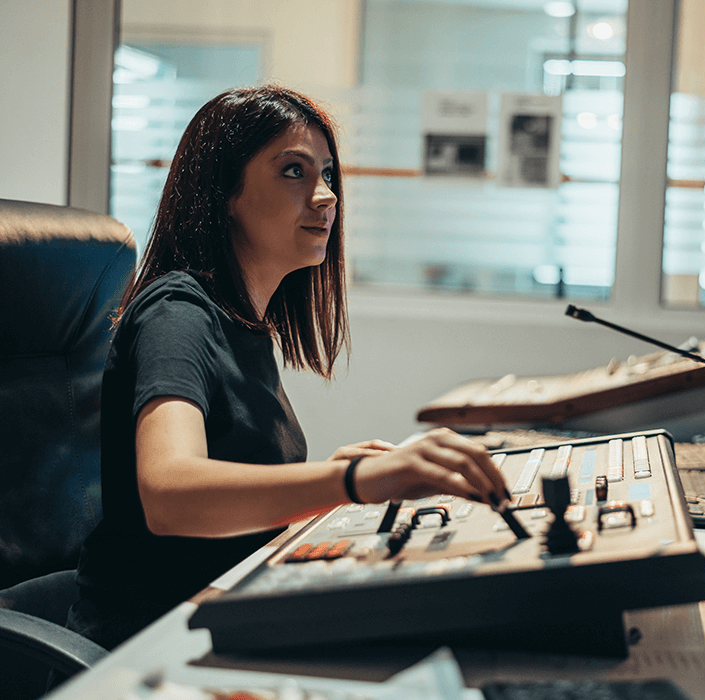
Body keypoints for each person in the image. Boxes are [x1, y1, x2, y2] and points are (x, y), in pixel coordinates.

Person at [67, 84, 509, 651]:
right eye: (294, 172)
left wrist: (332, 483)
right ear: (225, 192)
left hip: (226, 613)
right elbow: (170, 494)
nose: (326, 196)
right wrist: (352, 482)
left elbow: (235, 492)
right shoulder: (176, 313)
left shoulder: (245, 322)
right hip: (155, 646)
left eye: (326, 174)